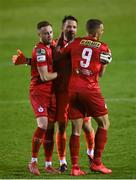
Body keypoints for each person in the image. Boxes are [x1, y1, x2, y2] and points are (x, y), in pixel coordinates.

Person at [12, 16, 95, 173]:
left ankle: (92, 155)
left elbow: (91, 60)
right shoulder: (54, 44)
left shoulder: (79, 45)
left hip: (78, 91)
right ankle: (62, 161)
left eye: (74, 27)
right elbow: (45, 61)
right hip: (59, 93)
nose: (71, 29)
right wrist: (27, 61)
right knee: (59, 126)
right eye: (68, 27)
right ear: (63, 28)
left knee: (85, 124)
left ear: (77, 29)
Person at [56, 19, 112, 175]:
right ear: (96, 32)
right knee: (104, 123)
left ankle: (75, 167)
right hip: (90, 89)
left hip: (72, 90)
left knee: (76, 129)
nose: (102, 32)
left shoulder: (76, 42)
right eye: (101, 30)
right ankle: (97, 163)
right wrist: (105, 62)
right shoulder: (103, 47)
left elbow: (60, 55)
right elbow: (100, 74)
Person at [24, 21, 58, 176]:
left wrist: (27, 61)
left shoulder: (52, 45)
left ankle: (48, 164)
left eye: (51, 32)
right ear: (39, 34)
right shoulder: (40, 51)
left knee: (51, 128)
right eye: (45, 33)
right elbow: (44, 76)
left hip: (52, 93)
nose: (49, 35)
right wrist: (62, 74)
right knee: (43, 125)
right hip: (39, 91)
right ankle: (33, 162)